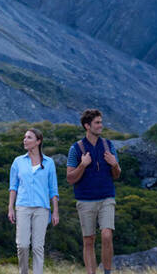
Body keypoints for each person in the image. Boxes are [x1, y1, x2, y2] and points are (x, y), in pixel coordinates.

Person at [66, 109, 120, 274]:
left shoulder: (108, 145)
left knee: (106, 235)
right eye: (97, 123)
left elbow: (117, 175)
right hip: (85, 200)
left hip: (106, 198)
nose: (100, 126)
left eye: (101, 122)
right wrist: (83, 165)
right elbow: (70, 178)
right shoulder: (76, 149)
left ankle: (107, 271)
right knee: (88, 240)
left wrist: (114, 164)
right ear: (87, 126)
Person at [8, 127, 60, 274]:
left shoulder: (49, 163)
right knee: (22, 245)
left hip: (42, 209)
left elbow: (53, 189)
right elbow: (13, 187)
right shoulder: (18, 162)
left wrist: (55, 211)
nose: (25, 140)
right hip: (22, 207)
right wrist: (10, 208)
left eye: (29, 137)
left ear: (38, 141)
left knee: (38, 247)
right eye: (24, 137)